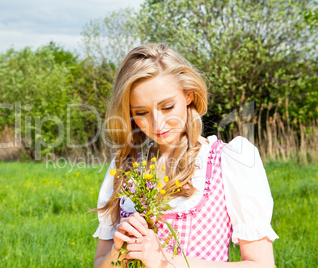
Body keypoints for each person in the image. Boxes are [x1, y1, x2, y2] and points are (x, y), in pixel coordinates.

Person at [93, 43, 279, 267]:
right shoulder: (125, 166)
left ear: (189, 95)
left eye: (168, 107)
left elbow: (261, 264)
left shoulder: (228, 162)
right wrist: (117, 251)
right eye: (141, 112)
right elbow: (99, 263)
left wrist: (164, 260)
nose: (157, 123)